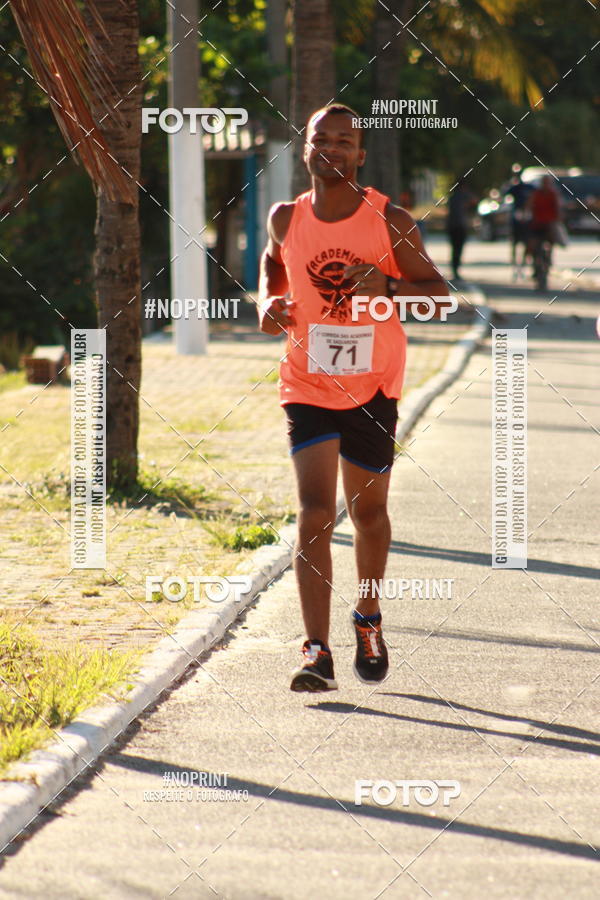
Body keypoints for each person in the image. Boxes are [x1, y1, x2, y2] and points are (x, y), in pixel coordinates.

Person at [257, 103, 449, 692]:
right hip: (307, 381)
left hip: (372, 385)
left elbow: (439, 298)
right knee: (314, 512)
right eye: (323, 139)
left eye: (346, 141)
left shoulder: (388, 220)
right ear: (306, 147)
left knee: (367, 514)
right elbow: (274, 267)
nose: (332, 149)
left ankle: (367, 617)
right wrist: (269, 301)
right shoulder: (286, 217)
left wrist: (389, 286)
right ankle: (316, 650)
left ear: (360, 155)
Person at [503, 164, 534, 279]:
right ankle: (516, 267)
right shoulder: (514, 187)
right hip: (516, 218)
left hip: (526, 217)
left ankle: (523, 266)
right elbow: (505, 194)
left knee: (527, 243)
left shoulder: (528, 187)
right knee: (515, 244)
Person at [526, 174, 562, 271]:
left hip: (549, 223)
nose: (546, 185)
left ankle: (549, 259)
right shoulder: (536, 193)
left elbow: (558, 208)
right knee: (532, 243)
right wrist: (526, 215)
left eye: (548, 183)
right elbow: (529, 205)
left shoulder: (553, 194)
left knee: (552, 239)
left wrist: (558, 219)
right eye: (544, 182)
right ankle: (534, 263)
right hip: (537, 223)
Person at [446, 179, 477, 282]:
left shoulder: (452, 197)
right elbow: (474, 200)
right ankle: (456, 269)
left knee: (454, 249)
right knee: (458, 249)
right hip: (460, 226)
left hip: (452, 226)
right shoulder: (464, 195)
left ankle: (454, 269)